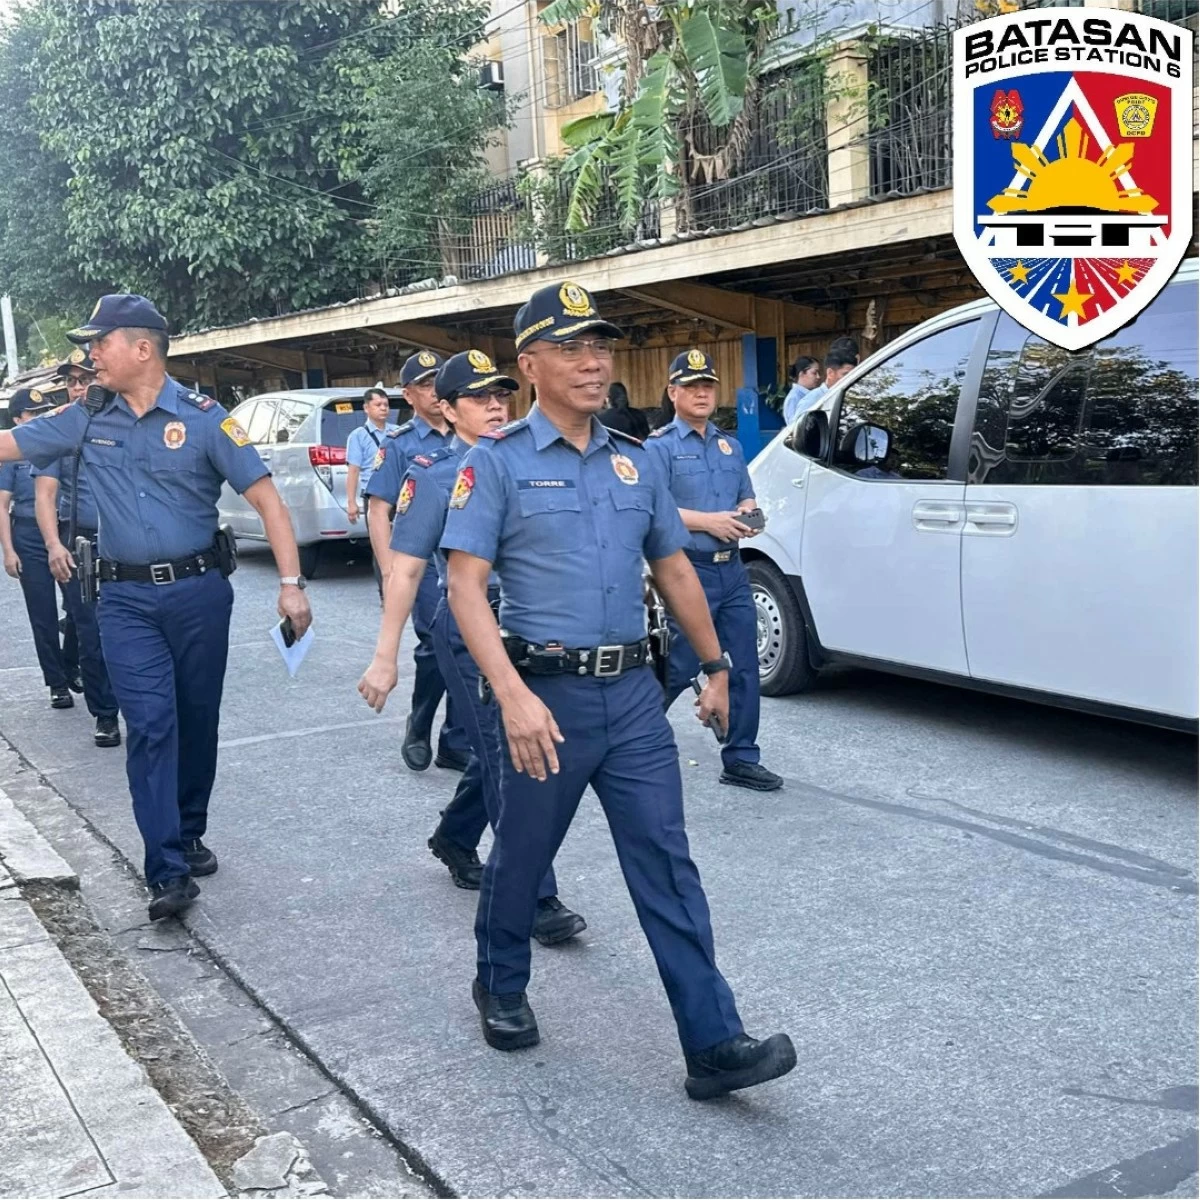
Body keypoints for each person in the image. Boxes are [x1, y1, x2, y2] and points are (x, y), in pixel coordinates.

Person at [442, 280, 795, 1100]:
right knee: (524, 854)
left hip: (634, 693)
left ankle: (713, 1043)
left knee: (667, 862)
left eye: (599, 344)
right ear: (529, 365)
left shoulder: (637, 463)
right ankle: (499, 982)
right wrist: (512, 696)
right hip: (543, 696)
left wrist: (715, 669)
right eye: (571, 347)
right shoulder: (494, 465)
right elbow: (466, 590)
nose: (593, 360)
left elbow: (674, 568)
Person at [0, 294, 313, 923]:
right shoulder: (85, 418)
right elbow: (9, 444)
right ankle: (166, 868)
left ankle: (189, 830)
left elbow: (268, 501)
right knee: (150, 725)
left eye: (100, 343)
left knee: (197, 719)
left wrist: (290, 582)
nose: (90, 355)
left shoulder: (205, 418)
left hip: (200, 594)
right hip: (123, 600)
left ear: (141, 348)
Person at [357, 350, 586, 945]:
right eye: (479, 398)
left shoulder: (524, 460)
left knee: (494, 749)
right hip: (464, 627)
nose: (494, 407)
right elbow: (405, 571)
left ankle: (456, 836)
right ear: (448, 408)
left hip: (532, 631)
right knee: (516, 758)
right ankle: (538, 897)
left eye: (501, 396)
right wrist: (386, 656)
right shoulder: (432, 473)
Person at [645, 350, 782, 793]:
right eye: (691, 386)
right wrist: (710, 522)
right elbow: (652, 509)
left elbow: (746, 494)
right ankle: (627, 742)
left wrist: (748, 512)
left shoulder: (730, 445)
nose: (701, 393)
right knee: (678, 666)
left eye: (707, 386)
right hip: (689, 572)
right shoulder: (658, 446)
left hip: (732, 571)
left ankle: (741, 756)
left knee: (743, 665)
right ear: (673, 393)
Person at [365, 351, 469, 773]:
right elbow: (377, 509)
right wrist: (390, 568)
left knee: (470, 643)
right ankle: (420, 723)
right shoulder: (400, 444)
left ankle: (456, 739)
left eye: (437, 381)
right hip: (420, 561)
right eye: (424, 384)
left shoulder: (470, 431)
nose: (433, 390)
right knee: (435, 646)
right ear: (408, 395)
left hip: (465, 557)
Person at [32, 350, 121, 747]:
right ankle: (105, 714)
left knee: (134, 629)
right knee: (91, 631)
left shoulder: (125, 420)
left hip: (127, 543)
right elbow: (44, 495)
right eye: (72, 381)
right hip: (80, 542)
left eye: (85, 378)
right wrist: (53, 545)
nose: (79, 387)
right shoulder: (57, 429)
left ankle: (140, 705)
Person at [0, 387, 74, 709]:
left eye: (46, 409)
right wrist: (9, 551)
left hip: (65, 531)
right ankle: (57, 682)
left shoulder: (59, 444)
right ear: (18, 419)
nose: (42, 415)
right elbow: (1, 505)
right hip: (29, 535)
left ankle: (72, 662)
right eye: (33, 413)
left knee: (78, 607)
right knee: (42, 613)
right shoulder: (12, 454)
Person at [344, 386, 399, 593]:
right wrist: (351, 503)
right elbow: (354, 470)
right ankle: (386, 593)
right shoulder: (358, 436)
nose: (383, 408)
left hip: (398, 494)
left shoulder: (396, 432)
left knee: (402, 544)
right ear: (366, 408)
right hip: (375, 496)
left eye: (386, 405)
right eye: (378, 405)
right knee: (381, 547)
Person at [802, 344, 858, 411]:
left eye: (853, 375)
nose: (850, 379)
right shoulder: (812, 401)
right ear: (830, 373)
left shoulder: (852, 398)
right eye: (845, 374)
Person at [781, 355, 821, 424]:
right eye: (814, 373)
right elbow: (793, 426)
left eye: (818, 373)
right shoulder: (794, 397)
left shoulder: (811, 394)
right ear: (802, 374)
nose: (818, 377)